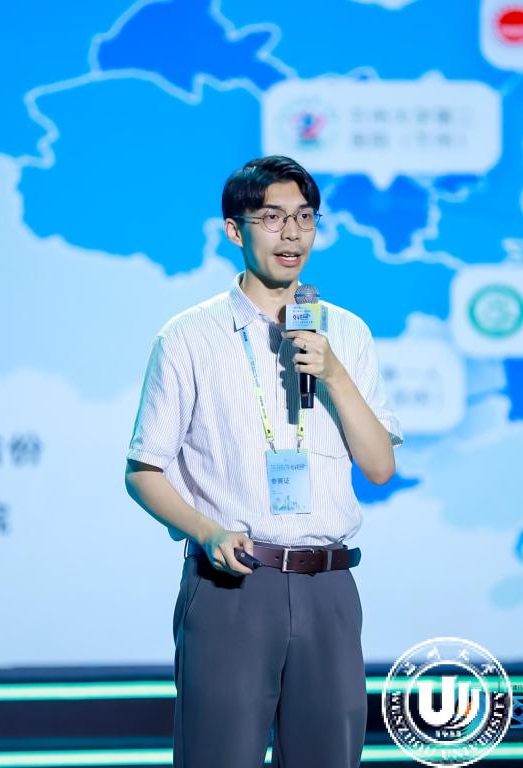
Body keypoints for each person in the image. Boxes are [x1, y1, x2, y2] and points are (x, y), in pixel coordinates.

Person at [125, 155, 402, 768]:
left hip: (329, 585)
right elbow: (143, 471)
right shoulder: (188, 337)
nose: (292, 234)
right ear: (235, 230)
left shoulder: (347, 334)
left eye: (305, 217)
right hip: (234, 584)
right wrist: (207, 532)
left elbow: (380, 467)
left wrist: (333, 374)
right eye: (273, 218)